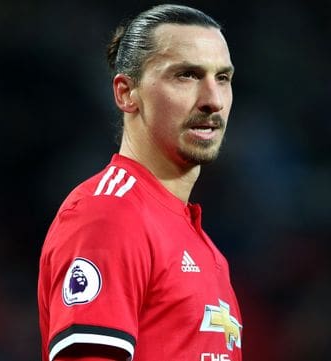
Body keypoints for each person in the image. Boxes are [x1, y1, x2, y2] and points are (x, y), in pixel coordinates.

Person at [37, 4, 242, 361]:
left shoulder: (206, 248)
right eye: (187, 75)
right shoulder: (108, 215)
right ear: (126, 93)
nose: (212, 100)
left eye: (222, 78)